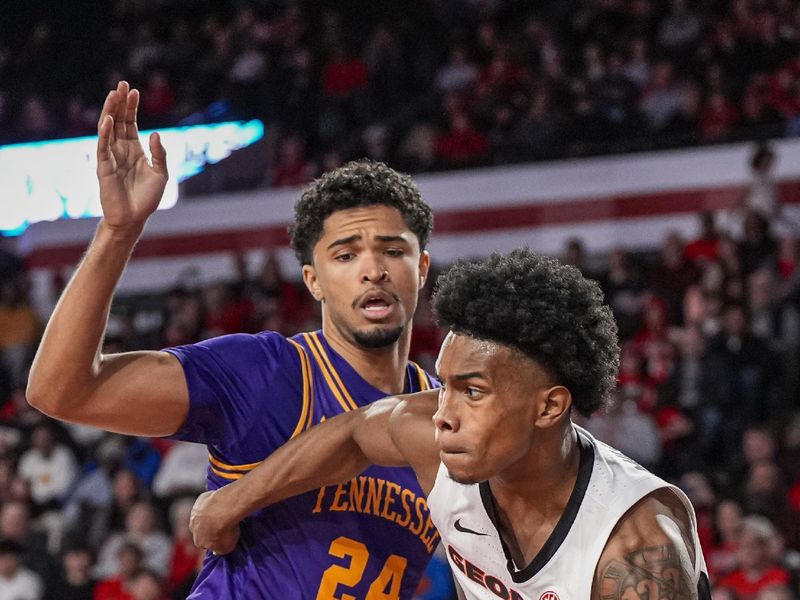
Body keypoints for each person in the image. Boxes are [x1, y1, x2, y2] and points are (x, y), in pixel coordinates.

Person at [26, 81, 438, 598]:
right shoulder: (263, 371)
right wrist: (118, 231)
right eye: (346, 254)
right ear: (313, 281)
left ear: (421, 269)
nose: (373, 270)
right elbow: (58, 391)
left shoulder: (445, 415)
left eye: (393, 252)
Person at [191, 249, 711, 599]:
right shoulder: (437, 436)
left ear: (549, 407)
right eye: (445, 385)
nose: (443, 413)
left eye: (474, 392)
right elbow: (353, 433)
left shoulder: (637, 548)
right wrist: (229, 503)